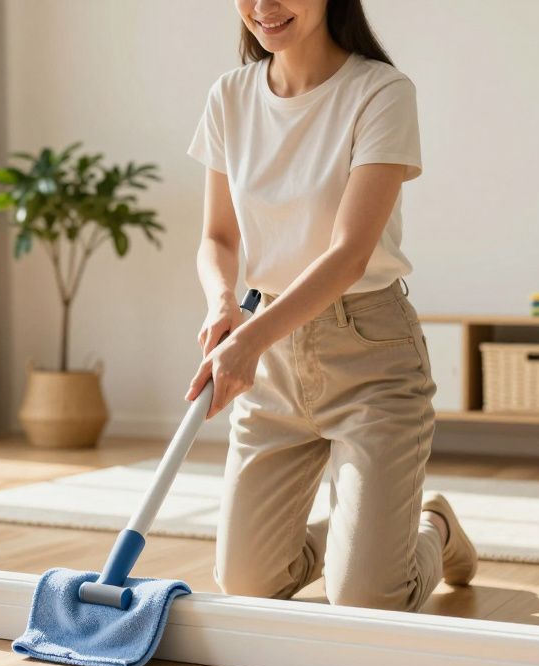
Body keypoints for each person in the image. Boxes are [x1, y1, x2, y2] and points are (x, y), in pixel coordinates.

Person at [184, 0, 478, 612]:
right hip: (271, 362)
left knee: (368, 602)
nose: (264, 7)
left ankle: (432, 528)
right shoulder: (230, 97)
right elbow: (218, 236)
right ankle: (363, 542)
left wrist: (251, 338)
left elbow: (348, 254)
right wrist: (221, 304)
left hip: (369, 355)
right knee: (247, 585)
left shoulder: (381, 92)